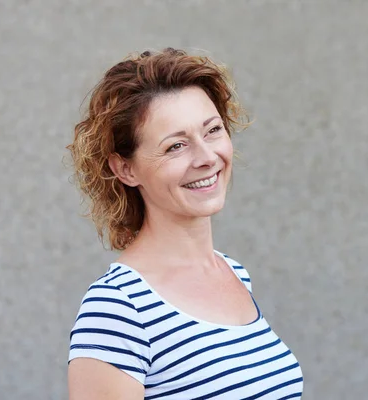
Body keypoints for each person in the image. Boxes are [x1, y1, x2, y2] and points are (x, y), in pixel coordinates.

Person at [66, 48, 303, 399]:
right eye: (176, 146)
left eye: (212, 131)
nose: (207, 157)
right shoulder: (118, 307)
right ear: (125, 169)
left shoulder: (234, 273)